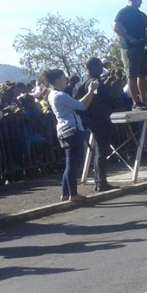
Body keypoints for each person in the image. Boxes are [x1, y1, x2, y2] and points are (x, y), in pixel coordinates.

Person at [44, 69, 98, 202]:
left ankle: (66, 193)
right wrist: (91, 91)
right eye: (63, 77)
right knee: (73, 163)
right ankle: (73, 194)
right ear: (57, 80)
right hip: (72, 130)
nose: (66, 80)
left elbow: (76, 104)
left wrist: (89, 93)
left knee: (70, 163)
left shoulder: (53, 95)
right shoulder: (60, 96)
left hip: (64, 130)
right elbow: (81, 106)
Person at [74, 58, 119, 192]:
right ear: (93, 67)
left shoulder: (82, 81)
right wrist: (115, 82)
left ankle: (99, 181)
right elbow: (109, 95)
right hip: (100, 119)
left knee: (98, 151)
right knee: (101, 151)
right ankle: (101, 183)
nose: (102, 69)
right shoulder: (94, 82)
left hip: (90, 119)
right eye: (100, 66)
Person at [113, 0, 147, 110]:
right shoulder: (124, 12)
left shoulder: (141, 14)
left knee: (143, 74)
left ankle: (144, 101)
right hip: (129, 47)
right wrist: (130, 38)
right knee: (132, 74)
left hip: (141, 47)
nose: (141, 1)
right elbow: (116, 27)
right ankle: (136, 102)